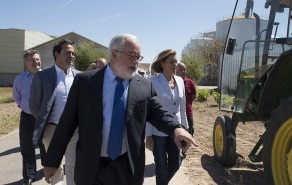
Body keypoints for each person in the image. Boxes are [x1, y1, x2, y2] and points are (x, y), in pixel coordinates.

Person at [41, 33, 197, 185]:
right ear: (114, 54)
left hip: (126, 166)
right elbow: (67, 123)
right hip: (91, 165)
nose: (136, 62)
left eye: (138, 57)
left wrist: (176, 129)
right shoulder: (85, 82)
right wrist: (52, 161)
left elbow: (158, 113)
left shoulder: (144, 85)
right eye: (131, 56)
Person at [29, 39, 80, 185]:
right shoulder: (43, 76)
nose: (71, 56)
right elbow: (34, 105)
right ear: (56, 54)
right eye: (67, 53)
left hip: (75, 129)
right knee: (55, 166)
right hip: (52, 129)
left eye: (73, 53)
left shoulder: (79, 76)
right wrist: (43, 120)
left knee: (74, 163)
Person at [145, 49, 188, 185]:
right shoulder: (152, 81)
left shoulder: (180, 81)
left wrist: (185, 129)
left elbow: (182, 107)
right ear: (162, 63)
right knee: (161, 169)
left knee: (175, 165)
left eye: (175, 61)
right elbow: (149, 111)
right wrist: (148, 135)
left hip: (176, 130)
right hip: (158, 133)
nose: (174, 64)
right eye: (171, 62)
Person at [13, 50, 46, 185]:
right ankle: (29, 175)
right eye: (32, 60)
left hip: (44, 118)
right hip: (27, 118)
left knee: (45, 145)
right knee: (27, 147)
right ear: (26, 64)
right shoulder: (20, 79)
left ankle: (48, 168)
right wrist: (25, 107)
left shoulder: (47, 76)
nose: (36, 62)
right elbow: (17, 97)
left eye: (37, 59)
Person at [176, 62, 196, 136]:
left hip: (188, 113)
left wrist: (187, 104)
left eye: (184, 69)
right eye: (181, 69)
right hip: (176, 114)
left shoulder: (190, 82)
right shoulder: (172, 82)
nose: (183, 71)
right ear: (176, 70)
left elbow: (193, 96)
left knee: (189, 134)